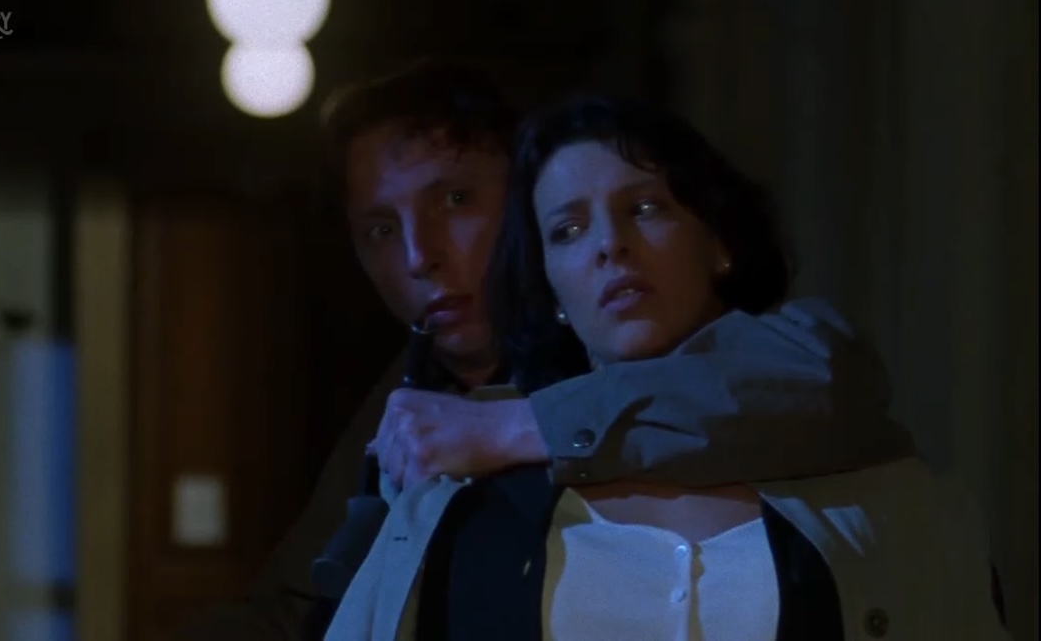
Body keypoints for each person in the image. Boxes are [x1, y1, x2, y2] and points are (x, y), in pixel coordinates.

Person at [186, 62, 915, 640]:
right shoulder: (409, 399)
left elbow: (816, 376)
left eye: (455, 201)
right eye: (380, 229)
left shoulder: (628, 331)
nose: (418, 255)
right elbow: (296, 606)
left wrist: (512, 428)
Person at [324, 96, 1010, 640]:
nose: (610, 246)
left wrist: (519, 427)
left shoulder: (861, 472)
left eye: (645, 208)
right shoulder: (466, 504)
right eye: (568, 230)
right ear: (550, 286)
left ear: (718, 243)